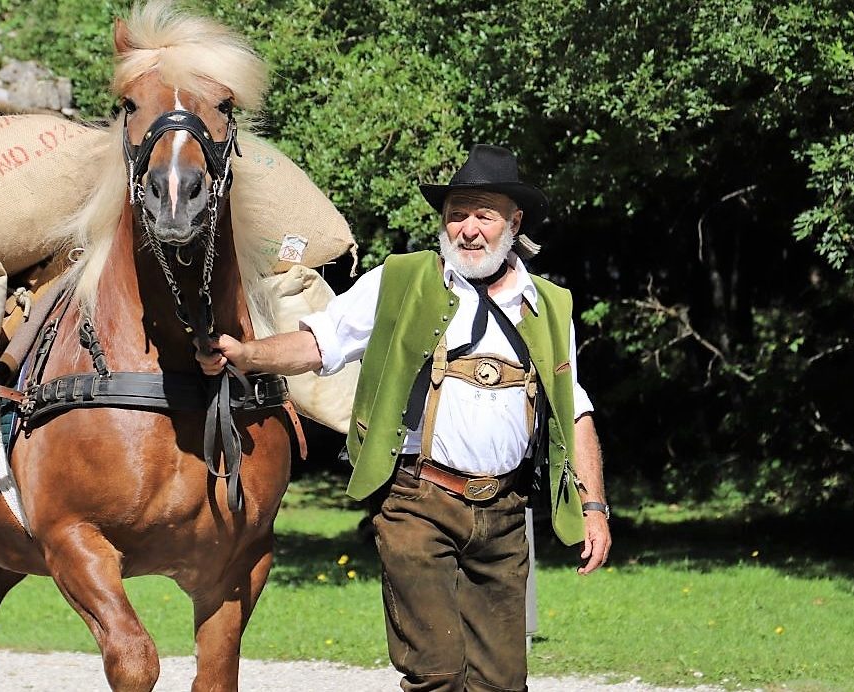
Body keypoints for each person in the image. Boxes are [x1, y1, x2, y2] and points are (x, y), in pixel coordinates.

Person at [197, 144, 611, 692]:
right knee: (436, 672)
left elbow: (574, 408)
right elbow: (320, 342)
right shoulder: (401, 280)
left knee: (503, 684)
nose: (467, 229)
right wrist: (249, 355)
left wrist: (595, 507)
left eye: (483, 215)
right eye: (456, 214)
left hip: (506, 512)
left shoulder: (550, 305)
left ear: (515, 223)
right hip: (419, 502)